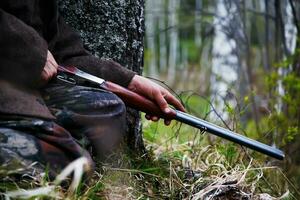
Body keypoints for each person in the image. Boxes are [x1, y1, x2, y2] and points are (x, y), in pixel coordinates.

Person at [0, 0, 185, 177]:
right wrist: (32, 53)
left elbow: (62, 50)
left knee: (108, 107)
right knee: (74, 166)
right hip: (8, 90)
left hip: (25, 86)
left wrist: (130, 81)